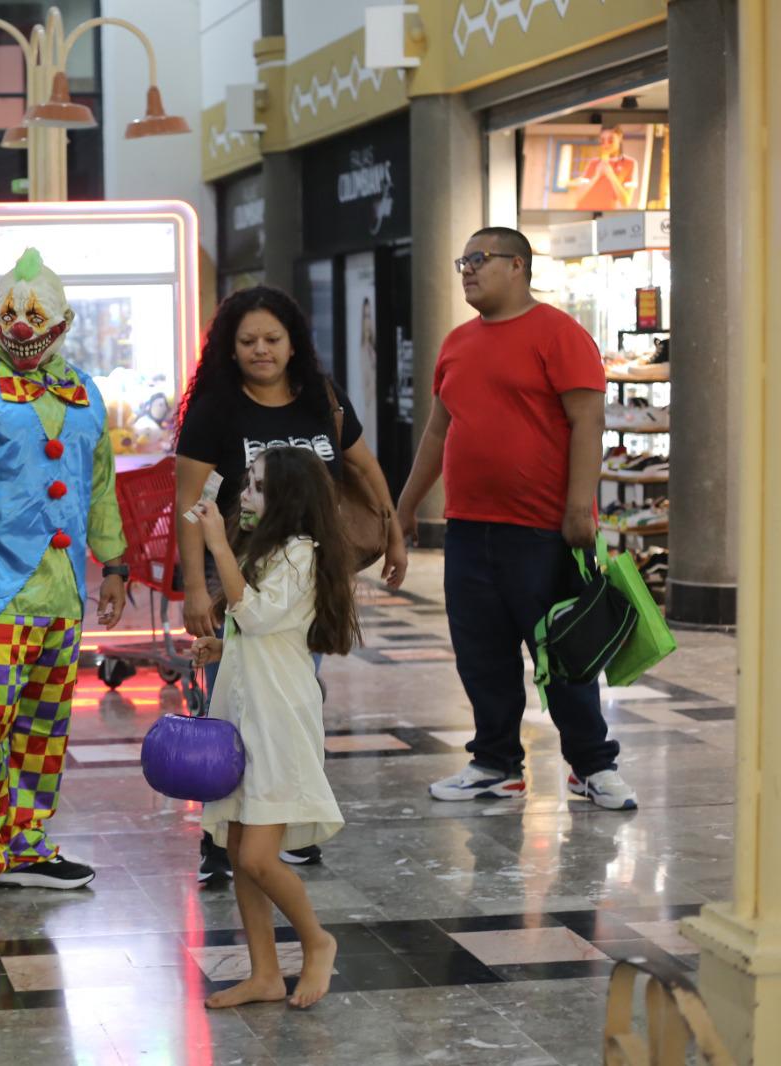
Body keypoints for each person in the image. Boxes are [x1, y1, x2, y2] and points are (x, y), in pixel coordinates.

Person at [0, 248, 128, 911]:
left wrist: (113, 562)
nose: (21, 330)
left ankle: (27, 843)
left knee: (44, 725)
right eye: (9, 317)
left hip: (61, 593)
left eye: (36, 319)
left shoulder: (85, 392)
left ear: (63, 325)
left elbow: (99, 487)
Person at [396, 226, 635, 810]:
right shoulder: (456, 344)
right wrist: (404, 507)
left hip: (543, 532)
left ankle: (591, 766)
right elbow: (436, 431)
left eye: (480, 259)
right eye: (463, 261)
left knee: (562, 653)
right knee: (481, 654)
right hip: (469, 529)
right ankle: (496, 764)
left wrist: (580, 507)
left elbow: (588, 422)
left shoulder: (559, 335)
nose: (468, 270)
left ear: (520, 266)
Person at [174, 286, 406, 879]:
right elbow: (188, 499)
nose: (260, 351)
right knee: (234, 702)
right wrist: (197, 590)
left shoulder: (319, 400)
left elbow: (363, 465)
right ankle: (221, 836)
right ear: (229, 348)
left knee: (296, 700)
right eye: (247, 341)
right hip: (237, 569)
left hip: (309, 573)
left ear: (293, 343)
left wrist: (395, 529)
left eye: (272, 339)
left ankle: (293, 822)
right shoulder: (216, 411)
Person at [186, 445, 355, 1010]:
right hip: (245, 715)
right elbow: (254, 628)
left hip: (279, 719)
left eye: (256, 486)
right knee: (238, 853)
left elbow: (256, 614)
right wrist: (220, 644)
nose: (244, 496)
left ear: (288, 498)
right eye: (247, 484)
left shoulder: (303, 553)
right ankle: (264, 973)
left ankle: (317, 940)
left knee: (259, 857)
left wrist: (214, 545)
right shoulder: (268, 552)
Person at [576, 126, 638, 212]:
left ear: (620, 138)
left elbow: (626, 202)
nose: (606, 144)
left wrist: (611, 175)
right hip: (582, 212)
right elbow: (578, 197)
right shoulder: (593, 163)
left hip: (605, 215)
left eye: (610, 140)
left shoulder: (630, 163)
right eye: (602, 140)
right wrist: (596, 176)